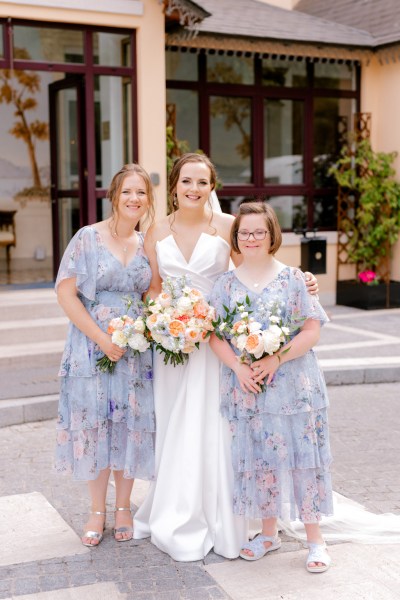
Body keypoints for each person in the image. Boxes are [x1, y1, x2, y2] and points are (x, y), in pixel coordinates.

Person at [134, 152, 319, 561]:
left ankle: (222, 517)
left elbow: (254, 272)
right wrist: (163, 320)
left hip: (217, 345)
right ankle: (174, 508)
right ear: (174, 185)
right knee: (174, 424)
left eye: (202, 182)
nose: (194, 189)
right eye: (186, 181)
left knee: (215, 428)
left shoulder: (227, 227)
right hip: (174, 347)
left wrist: (301, 279)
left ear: (212, 186)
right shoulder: (155, 230)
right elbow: (153, 287)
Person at [209, 201, 332, 573]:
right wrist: (237, 368)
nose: (251, 238)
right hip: (248, 386)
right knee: (260, 459)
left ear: (272, 235)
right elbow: (213, 336)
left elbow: (312, 330)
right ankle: (267, 533)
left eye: (258, 232)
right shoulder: (225, 285)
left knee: (302, 461)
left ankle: (315, 540)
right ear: (236, 237)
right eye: (244, 232)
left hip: (295, 384)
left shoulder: (295, 279)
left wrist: (276, 359)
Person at [55, 164, 155, 547]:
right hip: (91, 346)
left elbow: (153, 295)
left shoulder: (146, 243)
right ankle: (97, 510)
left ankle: (124, 507)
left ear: (148, 201)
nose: (134, 199)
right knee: (95, 426)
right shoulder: (87, 238)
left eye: (141, 193)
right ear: (114, 195)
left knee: (128, 425)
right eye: (127, 191)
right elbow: (66, 294)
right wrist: (101, 339)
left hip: (134, 352)